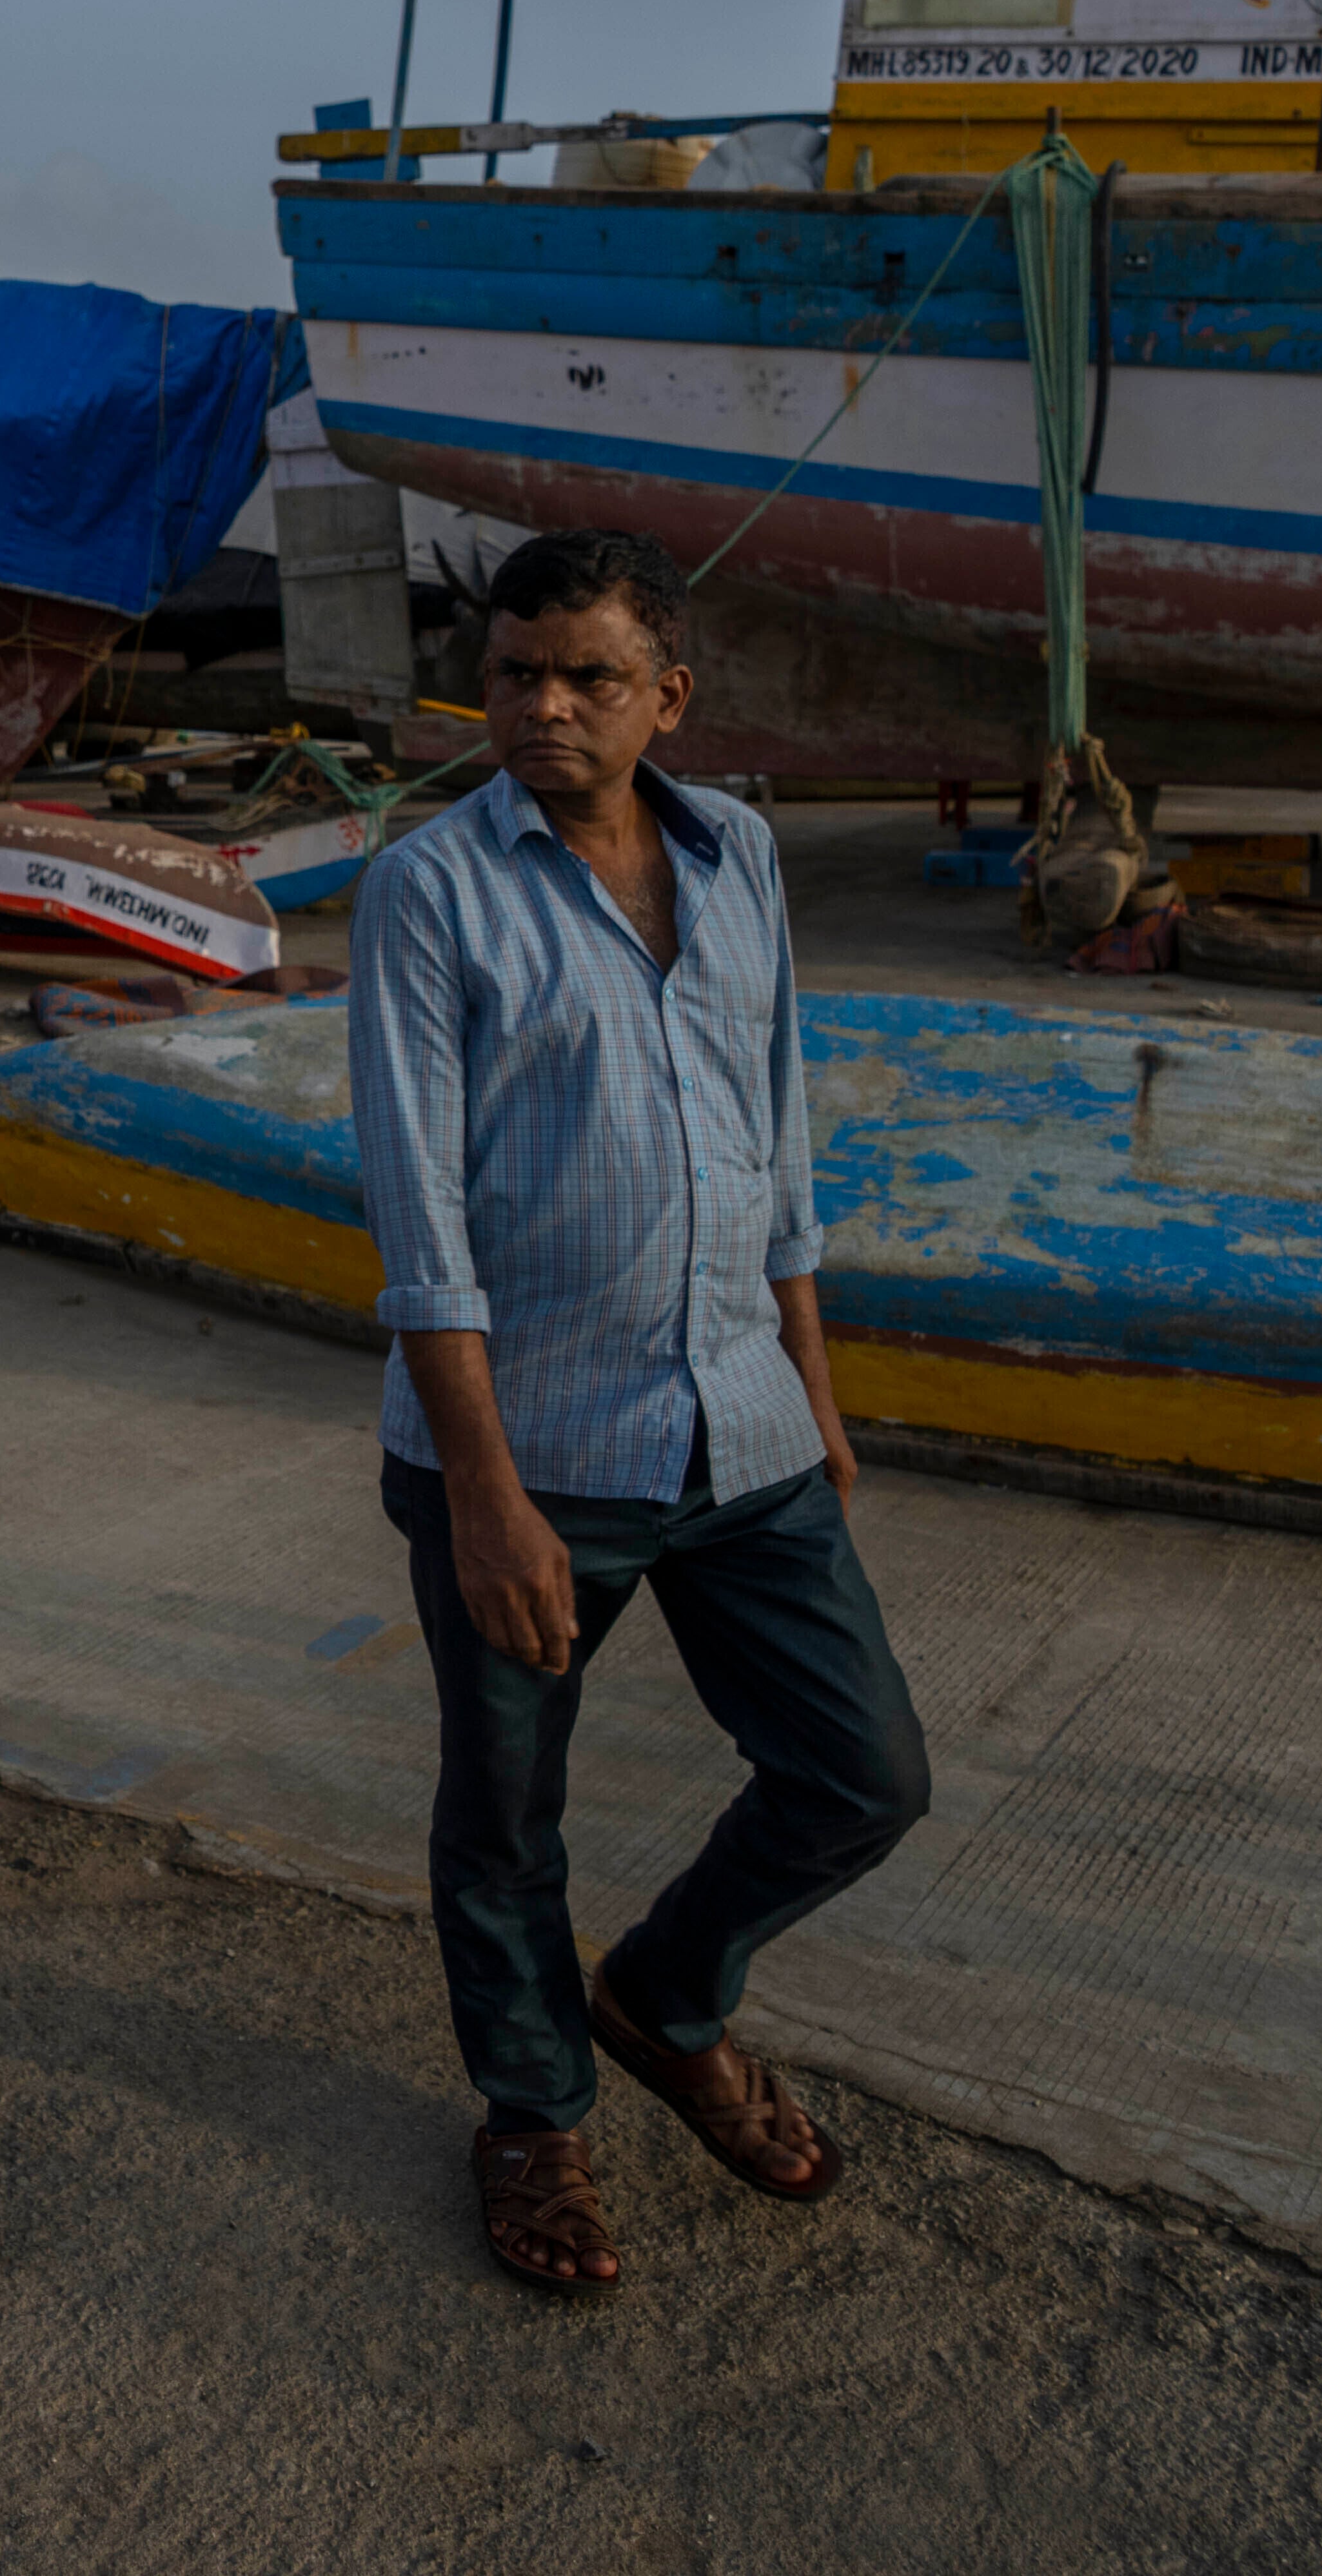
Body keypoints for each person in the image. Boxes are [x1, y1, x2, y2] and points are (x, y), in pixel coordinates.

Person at [348, 525, 933, 2298]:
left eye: (588, 677)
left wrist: (813, 1387)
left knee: (863, 1772)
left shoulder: (741, 853)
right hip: (532, 1457)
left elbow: (781, 1136)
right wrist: (484, 1495)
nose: (542, 708)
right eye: (514, 673)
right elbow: (421, 1222)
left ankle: (665, 2005)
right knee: (508, 1816)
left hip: (741, 1428)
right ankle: (533, 2112)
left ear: (666, 696)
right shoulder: (432, 889)